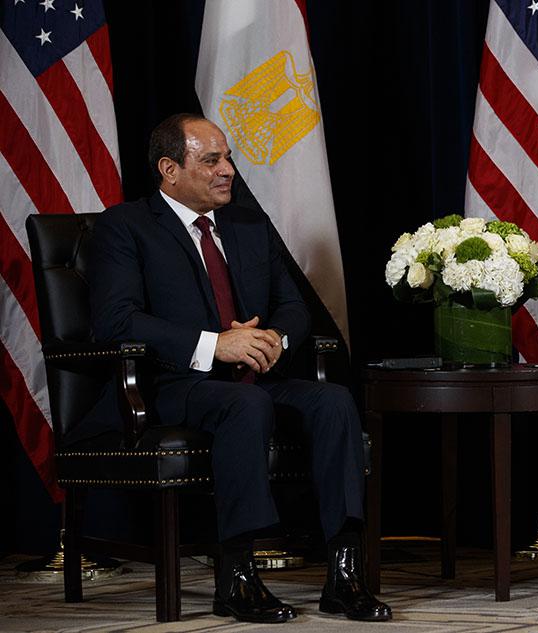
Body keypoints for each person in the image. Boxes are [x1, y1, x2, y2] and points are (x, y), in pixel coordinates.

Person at [83, 113, 391, 623]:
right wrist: (215, 345)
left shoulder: (249, 224)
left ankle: (344, 569)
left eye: (227, 158)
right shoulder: (126, 226)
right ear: (169, 169)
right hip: (171, 383)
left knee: (333, 399)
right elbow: (117, 321)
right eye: (211, 160)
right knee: (244, 403)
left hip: (255, 375)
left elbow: (293, 305)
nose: (227, 170)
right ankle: (238, 574)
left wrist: (274, 337)